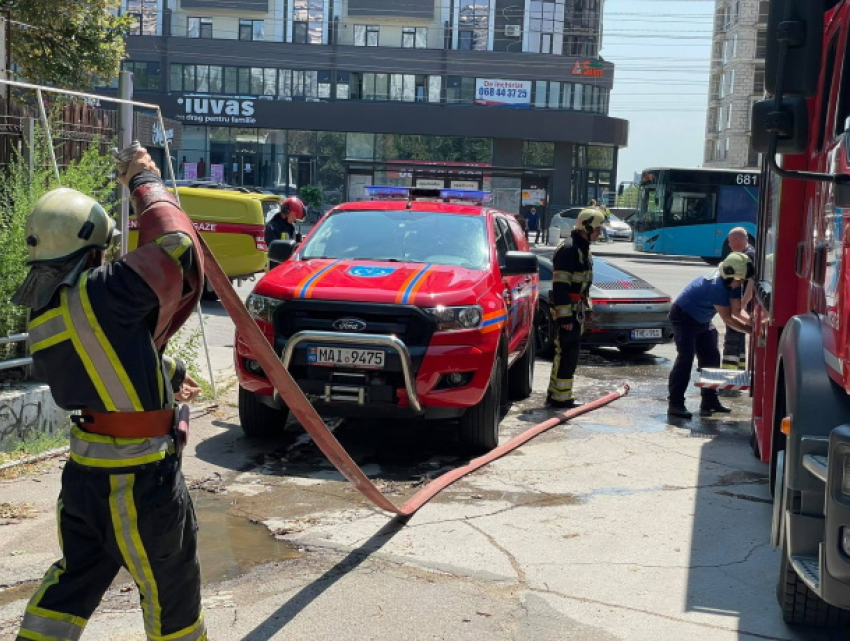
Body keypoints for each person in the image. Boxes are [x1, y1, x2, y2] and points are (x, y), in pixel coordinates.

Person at [11, 148, 208, 640]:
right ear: (94, 250)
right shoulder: (104, 291)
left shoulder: (45, 316)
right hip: (137, 480)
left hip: (86, 479)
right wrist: (145, 180)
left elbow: (106, 359)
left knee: (75, 580)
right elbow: (178, 243)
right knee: (172, 595)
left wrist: (167, 371)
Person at [667, 251, 754, 420]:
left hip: (703, 320)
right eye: (740, 279)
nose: (742, 282)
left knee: (712, 358)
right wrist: (752, 330)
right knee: (685, 359)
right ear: (729, 275)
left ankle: (709, 402)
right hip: (683, 317)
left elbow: (738, 310)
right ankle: (675, 404)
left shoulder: (734, 283)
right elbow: (729, 319)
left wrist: (755, 323)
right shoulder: (717, 286)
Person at [546, 208, 605, 409]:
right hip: (568, 312)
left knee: (568, 354)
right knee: (566, 354)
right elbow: (560, 286)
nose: (600, 233)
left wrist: (587, 310)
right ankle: (560, 399)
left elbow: (583, 286)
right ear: (586, 227)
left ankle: (557, 394)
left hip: (575, 310)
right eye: (597, 229)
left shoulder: (582, 248)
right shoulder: (569, 250)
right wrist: (565, 318)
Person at [721, 227, 756, 372]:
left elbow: (752, 282)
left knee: (732, 338)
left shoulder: (748, 256)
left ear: (737, 240)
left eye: (730, 241)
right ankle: (739, 371)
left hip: (742, 304)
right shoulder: (748, 253)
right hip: (742, 303)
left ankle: (729, 377)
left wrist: (743, 304)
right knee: (739, 338)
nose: (729, 245)